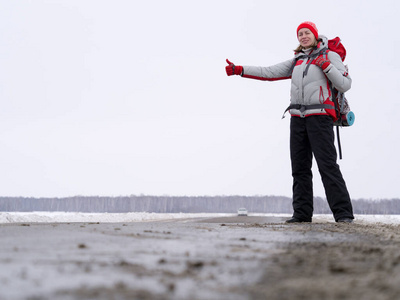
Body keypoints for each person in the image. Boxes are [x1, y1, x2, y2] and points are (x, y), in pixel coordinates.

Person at [225, 21, 354, 223]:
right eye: (300, 34)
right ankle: (302, 214)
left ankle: (344, 214)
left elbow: (345, 84)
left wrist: (327, 66)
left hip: (320, 118)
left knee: (327, 166)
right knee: (300, 168)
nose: (303, 36)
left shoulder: (329, 55)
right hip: (297, 119)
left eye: (307, 33)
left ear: (315, 35)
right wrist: (240, 69)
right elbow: (269, 72)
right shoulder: (297, 60)